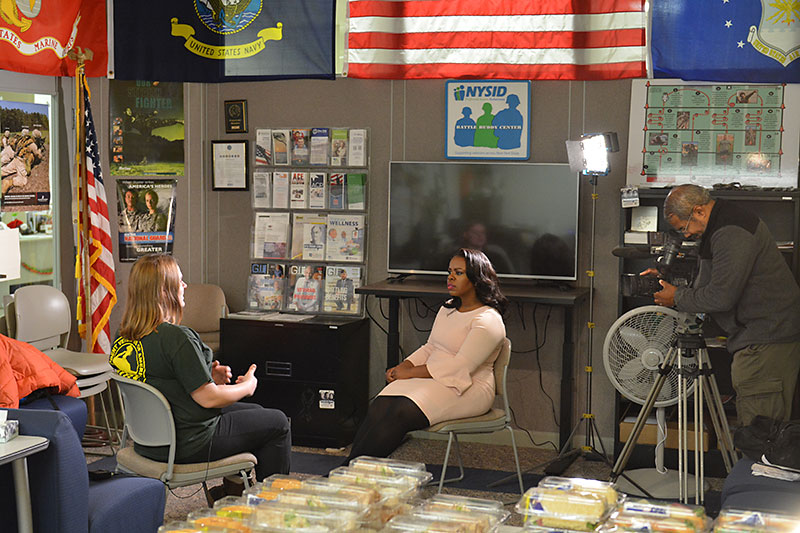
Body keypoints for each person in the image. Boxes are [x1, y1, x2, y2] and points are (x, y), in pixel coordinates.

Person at [109, 254, 291, 495]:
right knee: (278, 422)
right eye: (180, 281)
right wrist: (248, 385)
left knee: (256, 413)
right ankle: (272, 509)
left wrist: (207, 376)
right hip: (189, 442)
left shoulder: (122, 337)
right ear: (164, 292)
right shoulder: (177, 338)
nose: (185, 286)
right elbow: (209, 399)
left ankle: (231, 494)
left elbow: (161, 381)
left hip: (148, 442)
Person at [642, 184, 800, 426]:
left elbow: (720, 296)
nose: (685, 235)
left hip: (765, 341)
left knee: (762, 432)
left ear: (699, 212)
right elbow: (715, 279)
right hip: (763, 335)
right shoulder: (721, 223)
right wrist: (671, 282)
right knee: (760, 427)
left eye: (683, 228)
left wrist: (677, 297)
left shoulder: (730, 231)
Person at [345, 248, 507, 461]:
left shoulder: (488, 320)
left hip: (469, 386)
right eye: (449, 271)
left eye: (458, 273)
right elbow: (431, 347)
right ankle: (353, 468)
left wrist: (410, 374)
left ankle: (350, 468)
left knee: (400, 412)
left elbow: (460, 367)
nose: (450, 277)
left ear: (477, 280)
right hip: (435, 378)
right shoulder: (448, 308)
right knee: (381, 403)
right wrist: (404, 366)